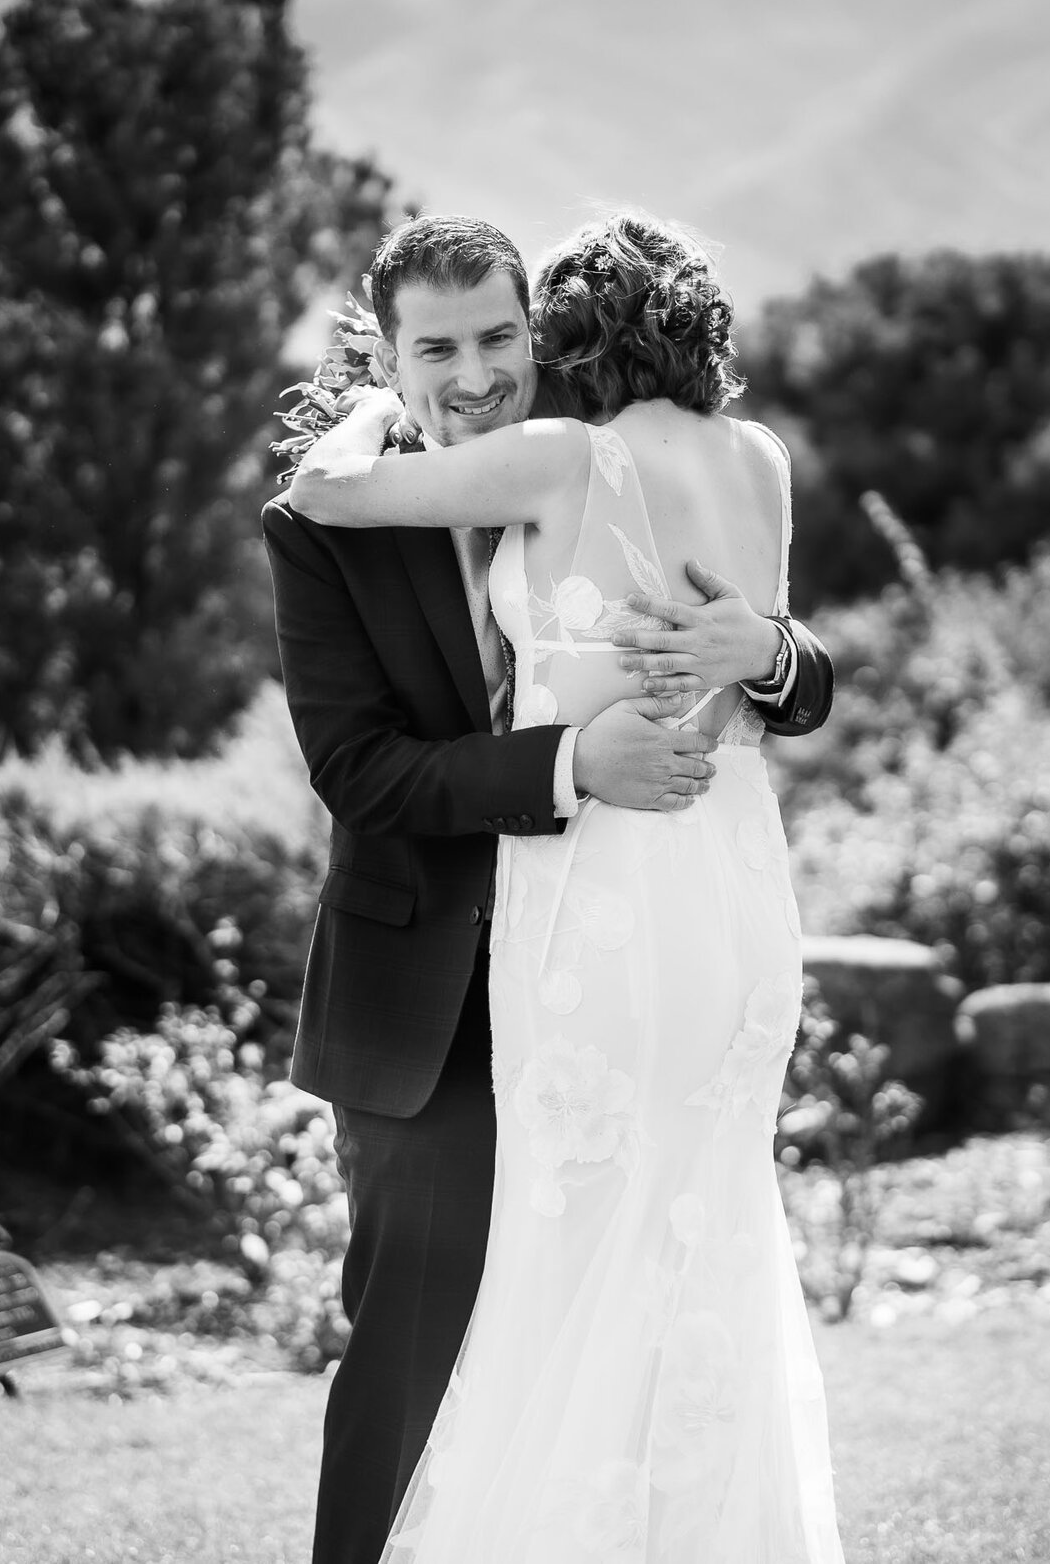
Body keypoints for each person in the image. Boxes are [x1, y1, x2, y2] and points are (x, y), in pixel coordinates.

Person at [260, 213, 835, 1564]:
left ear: (546, 335)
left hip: (632, 958)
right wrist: (570, 763)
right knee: (415, 1372)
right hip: (435, 1011)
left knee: (642, 1330)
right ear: (389, 360)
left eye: (500, 340)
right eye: (435, 350)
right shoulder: (333, 523)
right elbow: (361, 770)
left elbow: (798, 667)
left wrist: (768, 651)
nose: (473, 377)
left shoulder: (603, 448)